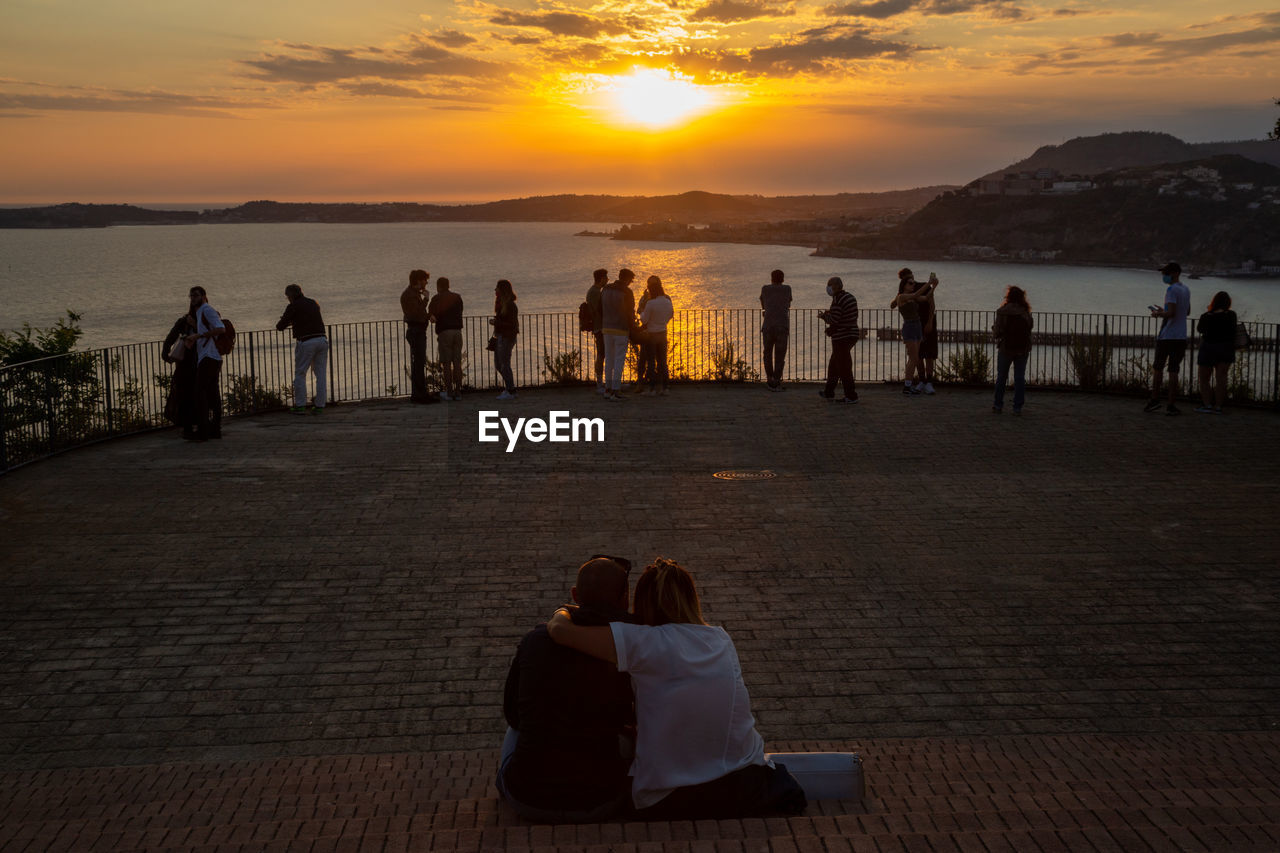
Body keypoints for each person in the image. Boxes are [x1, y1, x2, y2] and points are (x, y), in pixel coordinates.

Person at [546, 558, 806, 820]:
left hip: (666, 798)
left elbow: (559, 630)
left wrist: (565, 610)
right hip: (741, 785)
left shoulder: (643, 642)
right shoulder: (720, 639)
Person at [497, 557, 636, 822]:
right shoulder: (630, 646)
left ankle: (506, 783)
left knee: (517, 725)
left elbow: (512, 714)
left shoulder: (536, 640)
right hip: (601, 800)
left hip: (527, 798)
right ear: (625, 598)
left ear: (575, 594)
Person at [1145, 262, 1191, 416]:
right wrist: (1164, 310)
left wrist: (1158, 314)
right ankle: (1171, 405)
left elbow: (1171, 313)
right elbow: (1186, 311)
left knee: (1158, 368)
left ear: (1175, 273)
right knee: (1174, 371)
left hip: (1167, 336)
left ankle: (1155, 400)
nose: (1164, 276)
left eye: (1166, 273)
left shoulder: (1171, 290)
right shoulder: (1186, 289)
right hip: (1181, 336)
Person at [275, 283, 328, 414]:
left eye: (287, 296)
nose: (287, 298)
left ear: (290, 295)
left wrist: (288, 321)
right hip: (322, 339)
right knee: (320, 374)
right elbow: (308, 318)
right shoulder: (313, 302)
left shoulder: (293, 306)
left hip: (306, 341)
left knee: (300, 373)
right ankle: (320, 405)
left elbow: (280, 326)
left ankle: (300, 405)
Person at [183, 286, 225, 441]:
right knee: (213, 394)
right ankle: (214, 430)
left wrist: (199, 336)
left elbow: (221, 328)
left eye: (196, 295)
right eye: (191, 296)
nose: (193, 298)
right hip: (210, 357)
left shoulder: (207, 310)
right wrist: (196, 336)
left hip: (209, 357)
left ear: (203, 296)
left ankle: (203, 432)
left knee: (199, 393)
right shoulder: (201, 312)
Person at [890, 269, 939, 396]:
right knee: (913, 359)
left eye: (912, 281)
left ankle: (913, 384)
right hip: (911, 327)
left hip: (917, 327)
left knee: (918, 357)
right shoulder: (903, 296)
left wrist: (934, 287)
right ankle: (908, 386)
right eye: (909, 282)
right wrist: (928, 284)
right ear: (903, 283)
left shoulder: (911, 295)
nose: (912, 283)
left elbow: (926, 298)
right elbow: (915, 295)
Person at [991, 286, 1033, 415]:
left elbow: (997, 332)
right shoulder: (1025, 312)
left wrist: (994, 330)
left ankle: (998, 405)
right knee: (1019, 378)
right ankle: (1017, 407)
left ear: (1008, 297)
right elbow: (1030, 327)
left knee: (1001, 377)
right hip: (1023, 348)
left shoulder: (1002, 311)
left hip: (1006, 348)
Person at [817, 277, 859, 403]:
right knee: (834, 365)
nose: (828, 288)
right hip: (852, 334)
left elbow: (834, 320)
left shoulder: (837, 299)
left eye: (829, 285)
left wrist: (824, 316)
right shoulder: (849, 296)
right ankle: (829, 392)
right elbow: (846, 315)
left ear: (834, 287)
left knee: (844, 367)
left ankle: (851, 396)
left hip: (842, 337)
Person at [1194, 291, 1237, 414]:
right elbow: (1232, 329)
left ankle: (1207, 404)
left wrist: (1209, 311)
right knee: (1221, 379)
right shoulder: (1231, 315)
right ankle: (1218, 406)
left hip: (1208, 348)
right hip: (1225, 349)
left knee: (1204, 379)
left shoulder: (1206, 316)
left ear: (1214, 302)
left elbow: (1200, 329)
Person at [600, 269, 637, 402]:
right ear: (626, 279)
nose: (630, 283)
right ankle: (616, 390)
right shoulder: (626, 292)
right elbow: (630, 312)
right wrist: (634, 327)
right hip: (621, 329)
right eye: (631, 280)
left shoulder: (605, 289)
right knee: (619, 360)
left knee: (609, 359)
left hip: (606, 328)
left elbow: (600, 307)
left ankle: (607, 389)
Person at [161, 310, 198, 438]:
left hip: (190, 364)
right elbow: (170, 338)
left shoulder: (190, 321)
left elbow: (170, 339)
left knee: (187, 394)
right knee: (188, 394)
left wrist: (166, 355)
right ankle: (190, 425)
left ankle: (190, 425)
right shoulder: (185, 321)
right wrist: (166, 354)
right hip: (190, 364)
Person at [401, 269, 436, 404]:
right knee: (418, 364)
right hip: (415, 331)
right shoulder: (409, 295)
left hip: (418, 330)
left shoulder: (413, 293)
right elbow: (415, 312)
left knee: (419, 363)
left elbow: (419, 312)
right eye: (425, 280)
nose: (426, 282)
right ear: (418, 280)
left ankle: (421, 394)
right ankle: (419, 395)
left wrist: (428, 316)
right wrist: (426, 299)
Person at [428, 277, 464, 401]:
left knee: (447, 364)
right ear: (448, 285)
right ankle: (458, 392)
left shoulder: (436, 299)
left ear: (438, 286)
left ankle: (449, 392)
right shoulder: (457, 297)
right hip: (457, 332)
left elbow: (432, 317)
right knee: (457, 363)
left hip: (445, 332)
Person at [640, 276, 674, 396]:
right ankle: (666, 387)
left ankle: (652, 389)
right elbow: (670, 315)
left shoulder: (650, 303)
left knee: (651, 362)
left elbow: (644, 320)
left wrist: (642, 313)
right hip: (663, 332)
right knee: (662, 362)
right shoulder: (667, 301)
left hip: (652, 334)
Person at [760, 269, 792, 391]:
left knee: (767, 353)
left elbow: (762, 302)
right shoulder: (787, 288)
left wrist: (766, 310)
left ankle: (769, 379)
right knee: (780, 355)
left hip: (768, 325)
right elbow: (788, 303)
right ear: (783, 279)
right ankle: (776, 381)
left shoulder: (765, 288)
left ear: (771, 278)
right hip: (782, 325)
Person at [491, 279, 519, 400]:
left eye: (497, 288)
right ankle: (509, 387)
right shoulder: (501, 304)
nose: (495, 290)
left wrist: (497, 322)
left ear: (502, 290)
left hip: (507, 337)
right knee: (499, 364)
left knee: (504, 364)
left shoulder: (510, 305)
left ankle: (510, 390)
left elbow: (512, 324)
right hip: (500, 336)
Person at [586, 269, 609, 395]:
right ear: (601, 278)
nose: (608, 280)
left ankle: (603, 382)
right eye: (606, 277)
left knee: (603, 354)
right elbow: (598, 310)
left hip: (600, 327)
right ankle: (599, 383)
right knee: (601, 354)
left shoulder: (595, 291)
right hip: (599, 327)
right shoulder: (595, 292)